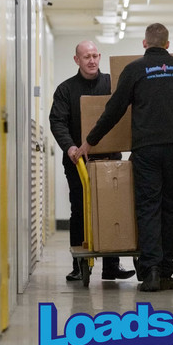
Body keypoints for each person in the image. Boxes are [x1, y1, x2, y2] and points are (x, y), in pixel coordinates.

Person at [77, 24, 173, 292]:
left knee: (149, 206)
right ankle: (166, 271)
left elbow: (114, 110)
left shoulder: (134, 70)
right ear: (167, 44)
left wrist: (90, 141)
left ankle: (151, 270)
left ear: (144, 44)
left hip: (147, 150)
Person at [49, 40, 136, 282]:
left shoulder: (112, 84)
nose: (92, 60)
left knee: (113, 208)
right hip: (78, 161)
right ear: (76, 60)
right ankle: (79, 265)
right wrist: (70, 147)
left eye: (95, 55)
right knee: (80, 209)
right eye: (86, 56)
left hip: (111, 159)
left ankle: (111, 266)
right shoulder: (65, 90)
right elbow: (57, 121)